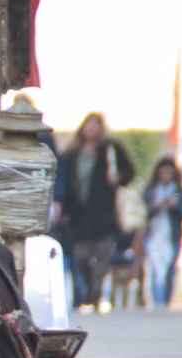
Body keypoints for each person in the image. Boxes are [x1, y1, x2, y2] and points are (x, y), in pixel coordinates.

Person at [53, 112, 135, 312]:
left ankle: (95, 295)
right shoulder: (71, 154)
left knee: (102, 257)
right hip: (78, 216)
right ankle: (88, 291)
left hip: (105, 214)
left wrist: (118, 178)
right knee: (81, 257)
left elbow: (129, 172)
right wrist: (61, 205)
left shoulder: (111, 150)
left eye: (96, 125)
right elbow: (62, 180)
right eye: (89, 125)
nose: (92, 129)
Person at [142, 157, 182, 307]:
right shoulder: (150, 191)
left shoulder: (180, 192)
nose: (165, 175)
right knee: (153, 268)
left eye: (169, 173)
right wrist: (155, 206)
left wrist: (176, 206)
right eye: (162, 172)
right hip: (153, 235)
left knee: (170, 268)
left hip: (172, 236)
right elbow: (142, 211)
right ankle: (155, 300)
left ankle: (165, 301)